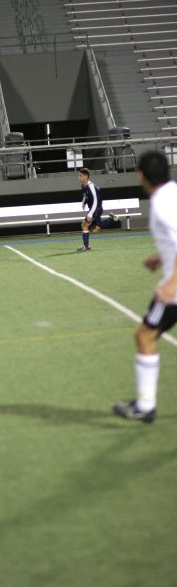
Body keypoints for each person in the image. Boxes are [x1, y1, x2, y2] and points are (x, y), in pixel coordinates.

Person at [113, 151, 177, 423]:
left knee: (145, 336)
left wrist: (171, 284)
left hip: (174, 293)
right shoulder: (172, 193)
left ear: (141, 175)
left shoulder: (163, 204)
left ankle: (145, 406)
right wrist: (162, 255)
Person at [77, 167, 120, 251]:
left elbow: (95, 201)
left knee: (84, 225)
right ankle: (112, 219)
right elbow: (85, 196)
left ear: (86, 176)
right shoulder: (83, 186)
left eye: (80, 175)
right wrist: (83, 203)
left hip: (96, 209)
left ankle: (86, 246)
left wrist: (90, 213)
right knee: (98, 227)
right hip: (94, 209)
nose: (79, 177)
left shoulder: (91, 186)